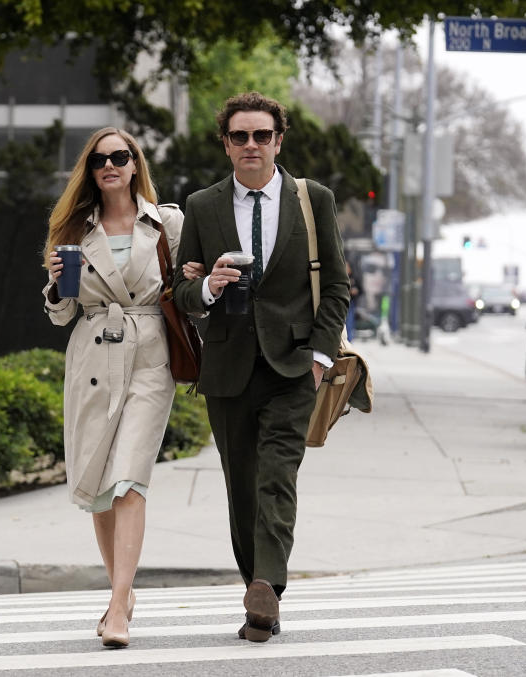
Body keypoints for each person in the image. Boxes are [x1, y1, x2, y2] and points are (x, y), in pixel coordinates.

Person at [172, 92, 350, 642]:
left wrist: (320, 358)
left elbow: (338, 286)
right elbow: (180, 294)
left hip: (294, 366)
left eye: (262, 135)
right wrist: (206, 286)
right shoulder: (201, 206)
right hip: (227, 366)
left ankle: (268, 584)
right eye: (240, 136)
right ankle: (259, 591)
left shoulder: (311, 199)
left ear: (279, 140)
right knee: (241, 487)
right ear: (226, 144)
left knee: (277, 476)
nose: (252, 145)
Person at [42, 127, 193, 649]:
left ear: (135, 165)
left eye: (119, 157)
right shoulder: (72, 228)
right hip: (91, 353)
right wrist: (58, 286)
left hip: (150, 353)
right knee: (101, 489)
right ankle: (120, 593)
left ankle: (117, 607)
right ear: (90, 169)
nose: (110, 165)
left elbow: (187, 288)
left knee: (129, 479)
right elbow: (61, 316)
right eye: (99, 159)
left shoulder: (167, 221)